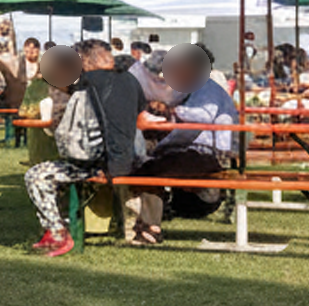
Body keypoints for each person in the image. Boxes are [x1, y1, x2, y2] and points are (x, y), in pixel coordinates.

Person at [21, 41, 144, 257]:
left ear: (86, 61)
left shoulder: (89, 83)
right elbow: (140, 117)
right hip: (124, 161)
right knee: (55, 176)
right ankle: (61, 227)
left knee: (36, 176)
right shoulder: (130, 81)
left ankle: (58, 232)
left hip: (99, 166)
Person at [134, 45, 236, 236]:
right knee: (150, 165)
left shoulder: (205, 87)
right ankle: (151, 217)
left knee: (148, 170)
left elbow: (204, 116)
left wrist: (172, 109)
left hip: (205, 151)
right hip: (199, 149)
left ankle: (150, 224)